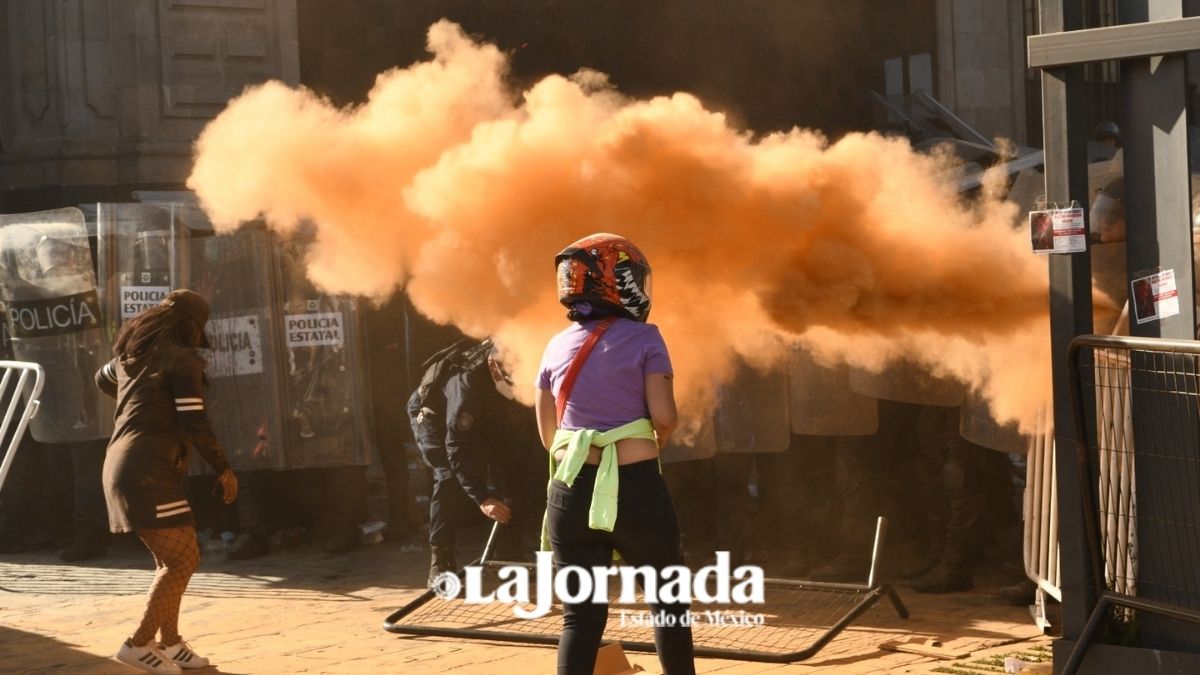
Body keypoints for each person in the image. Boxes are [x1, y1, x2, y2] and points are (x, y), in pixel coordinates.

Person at [536, 233, 695, 675]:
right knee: (668, 604)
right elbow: (664, 416)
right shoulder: (646, 338)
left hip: (568, 493)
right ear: (618, 281)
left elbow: (550, 437)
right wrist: (647, 439)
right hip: (637, 488)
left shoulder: (553, 345)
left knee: (580, 618)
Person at [95, 289, 238, 674]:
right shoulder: (182, 359)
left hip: (132, 463)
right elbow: (195, 421)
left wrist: (138, 401)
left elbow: (101, 378)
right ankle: (137, 644)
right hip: (145, 468)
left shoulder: (132, 357)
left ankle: (171, 643)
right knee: (183, 559)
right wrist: (223, 468)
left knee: (173, 560)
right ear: (191, 327)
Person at [407, 338, 516, 585]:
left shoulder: (515, 359)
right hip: (433, 416)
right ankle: (441, 560)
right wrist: (481, 497)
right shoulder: (466, 385)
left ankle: (508, 549)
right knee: (448, 478)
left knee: (507, 461)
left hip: (478, 413)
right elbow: (455, 448)